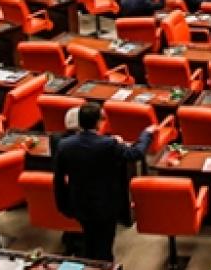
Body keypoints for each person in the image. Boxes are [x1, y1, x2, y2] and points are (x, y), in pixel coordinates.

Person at [53, 102, 155, 261]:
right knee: (104, 246)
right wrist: (146, 134)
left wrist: (63, 205)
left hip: (79, 203)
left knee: (90, 240)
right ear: (99, 122)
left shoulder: (65, 145)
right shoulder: (108, 144)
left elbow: (58, 178)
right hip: (105, 205)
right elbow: (135, 153)